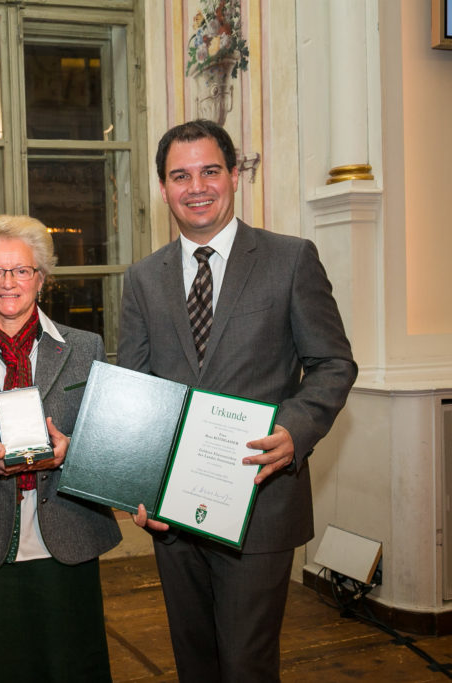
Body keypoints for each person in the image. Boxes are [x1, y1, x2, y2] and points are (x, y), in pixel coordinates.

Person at [121, 119, 357, 682]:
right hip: (173, 511)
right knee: (193, 661)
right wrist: (136, 482)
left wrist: (295, 429)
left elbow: (333, 363)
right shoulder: (143, 279)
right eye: (180, 175)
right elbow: (136, 388)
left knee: (248, 665)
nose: (195, 186)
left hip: (261, 500)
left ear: (233, 177)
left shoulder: (291, 259)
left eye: (209, 171)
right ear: (163, 188)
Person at [0, 214, 121, 682]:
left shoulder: (85, 347)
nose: (7, 282)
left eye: (21, 270)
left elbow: (108, 444)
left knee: (69, 667)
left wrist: (72, 448)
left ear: (41, 278)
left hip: (67, 536)